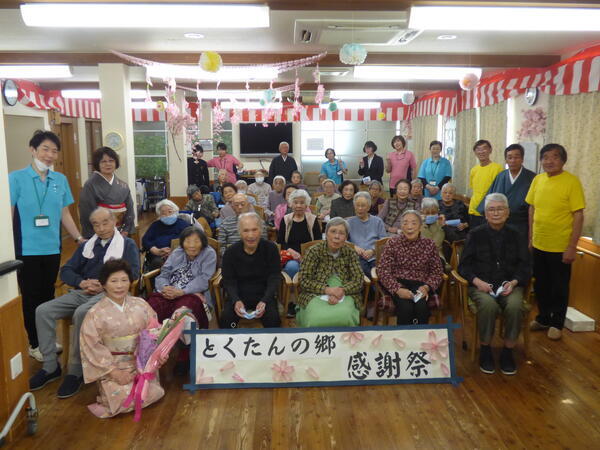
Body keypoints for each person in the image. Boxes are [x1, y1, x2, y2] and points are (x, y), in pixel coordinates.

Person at [29, 208, 140, 398]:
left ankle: (75, 371)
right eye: (96, 224)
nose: (101, 228)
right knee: (43, 310)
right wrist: (82, 282)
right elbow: (66, 271)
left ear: (114, 221)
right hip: (83, 290)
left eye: (105, 222)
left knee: (82, 313)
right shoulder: (87, 246)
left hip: (110, 294)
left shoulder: (127, 244)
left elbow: (134, 273)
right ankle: (50, 366)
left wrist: (107, 284)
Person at [9, 130, 83, 360]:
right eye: (45, 149)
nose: (50, 155)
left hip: (52, 247)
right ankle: (35, 343)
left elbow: (65, 214)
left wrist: (79, 238)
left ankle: (47, 340)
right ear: (33, 150)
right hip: (26, 249)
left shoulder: (59, 180)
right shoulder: (16, 178)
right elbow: (8, 215)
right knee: (31, 296)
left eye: (54, 151)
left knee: (47, 295)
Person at [79, 259, 165, 418]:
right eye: (114, 281)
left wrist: (157, 355)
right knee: (122, 400)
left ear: (130, 282)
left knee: (154, 393)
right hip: (114, 366)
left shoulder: (140, 304)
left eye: (124, 280)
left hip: (141, 364)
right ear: (104, 284)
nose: (119, 286)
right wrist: (114, 372)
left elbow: (155, 331)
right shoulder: (95, 313)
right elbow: (91, 346)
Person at [458, 193, 531, 375]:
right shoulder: (475, 234)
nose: (496, 213)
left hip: (510, 285)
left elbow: (526, 265)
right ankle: (485, 349)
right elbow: (463, 266)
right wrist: (477, 282)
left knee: (515, 306)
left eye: (500, 209)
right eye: (491, 209)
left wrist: (514, 282)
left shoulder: (517, 235)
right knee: (488, 305)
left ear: (507, 212)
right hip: (482, 286)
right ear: (485, 213)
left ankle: (508, 351)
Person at [526, 144, 585, 341]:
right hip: (539, 243)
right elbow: (532, 209)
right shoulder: (538, 179)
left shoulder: (571, 181)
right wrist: (530, 238)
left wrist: (572, 247)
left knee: (559, 287)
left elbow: (578, 215)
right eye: (545, 157)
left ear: (563, 160)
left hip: (561, 246)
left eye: (555, 157)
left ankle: (557, 323)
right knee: (541, 284)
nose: (549, 161)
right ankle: (543, 318)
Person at [146, 227, 216, 373]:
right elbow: (164, 273)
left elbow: (204, 280)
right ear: (182, 243)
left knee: (183, 314)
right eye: (188, 241)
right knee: (150, 308)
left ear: (202, 242)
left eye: (196, 241)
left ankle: (185, 354)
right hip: (169, 292)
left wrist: (182, 291)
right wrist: (164, 287)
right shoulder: (177, 252)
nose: (191, 245)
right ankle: (151, 351)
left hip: (193, 293)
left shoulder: (209, 253)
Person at [377, 210, 443, 325]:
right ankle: (404, 340)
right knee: (405, 308)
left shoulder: (429, 244)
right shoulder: (393, 243)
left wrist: (427, 287)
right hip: (398, 283)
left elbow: (437, 271)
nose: (409, 227)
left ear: (420, 226)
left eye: (414, 223)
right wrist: (397, 289)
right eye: (405, 223)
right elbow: (383, 270)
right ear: (401, 226)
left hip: (421, 284)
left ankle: (420, 340)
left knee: (421, 308)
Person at [296, 217, 364, 327]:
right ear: (326, 233)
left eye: (341, 233)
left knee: (345, 316)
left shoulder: (350, 253)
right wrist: (328, 290)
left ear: (346, 237)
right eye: (333, 232)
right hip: (315, 292)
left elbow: (358, 279)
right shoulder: (314, 251)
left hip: (346, 292)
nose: (336, 237)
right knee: (315, 317)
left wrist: (341, 291)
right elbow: (304, 280)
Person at [220, 213, 282, 328]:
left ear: (261, 230)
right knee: (226, 319)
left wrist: (265, 300)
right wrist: (236, 300)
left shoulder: (271, 249)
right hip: (239, 295)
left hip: (264, 295)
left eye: (254, 230)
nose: (250, 235)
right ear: (239, 232)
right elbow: (228, 280)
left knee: (273, 320)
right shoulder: (231, 252)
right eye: (246, 230)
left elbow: (274, 276)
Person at [477, 144, 536, 238]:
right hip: (499, 224)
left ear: (522, 159)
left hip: (522, 226)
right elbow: (489, 200)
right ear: (506, 160)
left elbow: (534, 207)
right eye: (510, 157)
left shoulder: (532, 178)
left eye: (516, 157)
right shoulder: (500, 176)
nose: (513, 160)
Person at [79, 146, 135, 239]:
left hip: (120, 232)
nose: (108, 164)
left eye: (111, 160)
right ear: (97, 164)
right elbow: (86, 213)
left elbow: (130, 209)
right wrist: (99, 233)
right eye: (103, 161)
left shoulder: (123, 185)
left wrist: (125, 230)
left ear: (116, 162)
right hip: (100, 232)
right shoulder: (90, 185)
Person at [277, 189, 321, 279]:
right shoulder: (285, 219)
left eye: (302, 203)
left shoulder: (312, 219)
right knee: (292, 267)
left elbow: (318, 241)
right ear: (291, 204)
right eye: (296, 202)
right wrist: (292, 252)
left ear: (306, 205)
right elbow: (280, 241)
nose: (299, 205)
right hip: (291, 256)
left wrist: (306, 257)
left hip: (310, 255)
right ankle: (293, 290)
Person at [142, 199, 190, 270]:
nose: (167, 215)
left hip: (181, 255)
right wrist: (155, 250)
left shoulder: (183, 224)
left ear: (175, 211)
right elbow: (145, 240)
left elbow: (192, 240)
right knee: (157, 263)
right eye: (163, 213)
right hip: (159, 257)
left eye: (170, 212)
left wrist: (177, 252)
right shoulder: (155, 225)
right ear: (159, 215)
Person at [347, 192, 387, 276]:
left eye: (363, 205)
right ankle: (374, 287)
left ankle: (373, 286)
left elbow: (384, 241)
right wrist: (354, 247)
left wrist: (373, 250)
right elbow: (343, 241)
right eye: (357, 205)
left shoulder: (377, 221)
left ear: (368, 207)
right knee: (362, 269)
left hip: (375, 256)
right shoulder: (349, 222)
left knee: (380, 270)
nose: (360, 208)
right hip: (357, 257)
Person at [468, 140, 503, 228]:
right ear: (475, 152)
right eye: (478, 149)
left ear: (490, 150)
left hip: (488, 212)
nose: (481, 152)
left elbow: (499, 193)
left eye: (484, 149)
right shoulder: (474, 170)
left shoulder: (498, 168)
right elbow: (474, 190)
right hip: (473, 210)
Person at [420, 198, 447, 270]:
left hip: (437, 254)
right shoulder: (417, 223)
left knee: (437, 263)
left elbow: (436, 244)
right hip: (419, 254)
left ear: (438, 212)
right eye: (427, 213)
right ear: (422, 212)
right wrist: (422, 224)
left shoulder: (440, 223)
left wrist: (441, 226)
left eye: (433, 213)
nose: (430, 215)